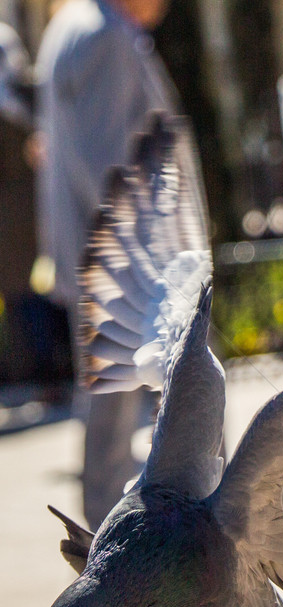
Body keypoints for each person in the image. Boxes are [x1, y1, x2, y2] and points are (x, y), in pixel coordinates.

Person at [35, 0, 176, 529]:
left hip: (100, 255)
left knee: (112, 398)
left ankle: (112, 539)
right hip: (124, 261)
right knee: (160, 393)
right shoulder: (105, 37)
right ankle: (122, 541)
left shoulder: (73, 26)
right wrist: (158, 257)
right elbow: (111, 167)